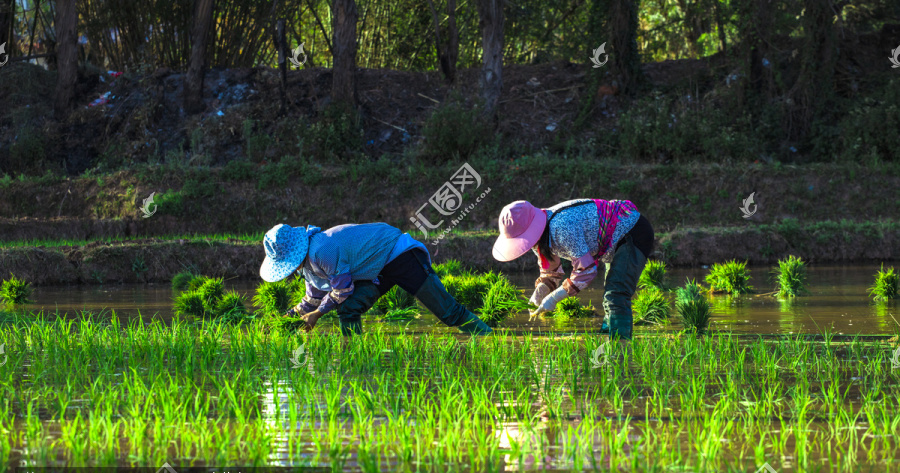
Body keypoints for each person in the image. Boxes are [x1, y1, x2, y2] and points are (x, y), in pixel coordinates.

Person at [259, 222, 493, 336]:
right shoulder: (306, 265)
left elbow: (342, 290)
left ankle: (489, 338)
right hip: (373, 270)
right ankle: (354, 355)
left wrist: (317, 315)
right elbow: (312, 298)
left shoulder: (321, 250)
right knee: (348, 309)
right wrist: (287, 318)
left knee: (448, 312)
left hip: (398, 254)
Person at [491, 199, 654, 340]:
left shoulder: (561, 228)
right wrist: (540, 291)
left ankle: (621, 350)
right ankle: (607, 339)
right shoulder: (540, 238)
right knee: (610, 297)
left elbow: (587, 271)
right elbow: (550, 271)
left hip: (631, 231)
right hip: (612, 242)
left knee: (616, 294)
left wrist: (554, 298)